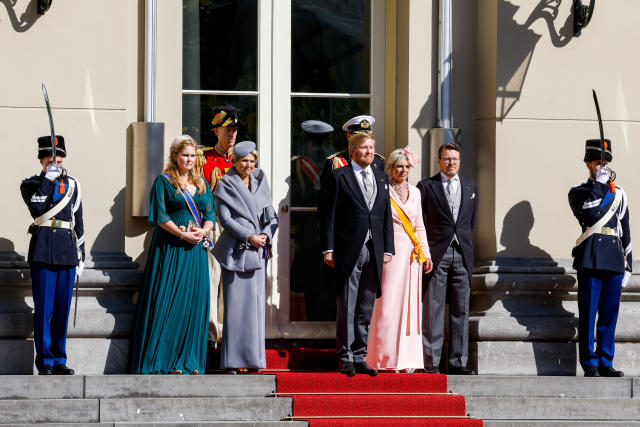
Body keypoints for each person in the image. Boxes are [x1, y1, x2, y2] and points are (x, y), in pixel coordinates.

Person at [129, 135, 215, 375]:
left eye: (192, 155)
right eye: (185, 155)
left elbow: (210, 215)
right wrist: (182, 235)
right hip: (171, 249)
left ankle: (188, 361)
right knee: (170, 302)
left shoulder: (202, 183)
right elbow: (160, 216)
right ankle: (163, 360)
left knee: (193, 304)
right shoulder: (164, 181)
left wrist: (203, 230)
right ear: (175, 156)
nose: (189, 159)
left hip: (195, 251)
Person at [319, 132, 394, 377]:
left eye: (371, 147)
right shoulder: (339, 177)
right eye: (363, 148)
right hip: (349, 249)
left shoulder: (382, 178)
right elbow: (327, 215)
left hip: (375, 249)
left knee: (365, 305)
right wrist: (328, 248)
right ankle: (345, 356)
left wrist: (388, 248)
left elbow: (385, 216)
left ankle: (361, 355)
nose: (369, 152)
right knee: (348, 305)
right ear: (352, 152)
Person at [21, 135, 85, 375]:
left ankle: (59, 359)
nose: (55, 161)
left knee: (61, 310)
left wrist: (81, 256)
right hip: (43, 251)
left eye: (58, 157)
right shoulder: (30, 184)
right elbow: (37, 207)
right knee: (44, 310)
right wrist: (47, 182)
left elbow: (79, 222)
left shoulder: (74, 185)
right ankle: (45, 361)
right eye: (49, 158)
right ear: (42, 160)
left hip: (67, 251)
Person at [213, 140, 278, 372]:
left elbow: (271, 214)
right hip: (237, 251)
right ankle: (232, 361)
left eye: (252, 161)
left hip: (259, 252)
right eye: (244, 161)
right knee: (236, 309)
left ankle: (253, 360)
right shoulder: (225, 184)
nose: (248, 165)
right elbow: (225, 220)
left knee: (255, 310)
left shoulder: (261, 180)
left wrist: (267, 235)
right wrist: (250, 236)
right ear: (235, 161)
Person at [568, 139, 631, 377]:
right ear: (588, 164)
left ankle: (606, 360)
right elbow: (592, 214)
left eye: (605, 162)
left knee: (609, 314)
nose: (602, 166)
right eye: (597, 163)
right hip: (591, 257)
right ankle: (589, 362)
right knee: (589, 313)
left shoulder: (620, 194)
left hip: (614, 258)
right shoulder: (579, 191)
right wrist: (600, 184)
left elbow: (625, 230)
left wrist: (628, 265)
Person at [366, 147, 433, 372]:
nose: (403, 170)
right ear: (391, 168)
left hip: (412, 256)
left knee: (410, 307)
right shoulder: (383, 190)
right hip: (390, 253)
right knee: (387, 304)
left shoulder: (416, 192)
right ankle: (383, 357)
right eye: (399, 166)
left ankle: (407, 360)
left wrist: (426, 254)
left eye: (406, 166)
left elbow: (420, 225)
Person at [417, 142, 477, 375]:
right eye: (447, 159)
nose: (451, 163)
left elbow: (470, 223)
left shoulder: (471, 187)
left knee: (461, 310)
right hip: (436, 254)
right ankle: (431, 361)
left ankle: (457, 362)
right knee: (433, 307)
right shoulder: (426, 186)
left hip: (463, 253)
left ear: (459, 161)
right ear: (439, 161)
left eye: (455, 159)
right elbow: (420, 222)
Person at [200, 105, 239, 344]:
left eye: (234, 129)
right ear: (216, 131)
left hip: (235, 225)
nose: (232, 134)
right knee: (212, 277)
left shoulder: (243, 158)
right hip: (213, 223)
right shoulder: (203, 158)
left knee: (231, 281)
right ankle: (211, 335)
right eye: (227, 129)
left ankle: (229, 337)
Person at [290, 120, 334, 321]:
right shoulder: (330, 163)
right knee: (317, 283)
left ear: (306, 140)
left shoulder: (300, 165)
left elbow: (297, 198)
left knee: (319, 283)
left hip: (311, 232)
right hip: (318, 231)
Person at [320, 115, 385, 183]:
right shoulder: (335, 163)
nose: (365, 141)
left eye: (368, 137)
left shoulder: (378, 161)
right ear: (348, 136)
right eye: (359, 138)